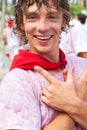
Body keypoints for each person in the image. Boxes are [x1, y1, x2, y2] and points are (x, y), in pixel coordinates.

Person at [0, 0, 87, 129]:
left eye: (52, 17)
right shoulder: (18, 82)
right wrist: (76, 99)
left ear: (63, 21)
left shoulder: (83, 68)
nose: (42, 27)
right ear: (21, 23)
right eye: (32, 17)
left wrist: (73, 104)